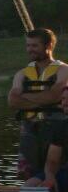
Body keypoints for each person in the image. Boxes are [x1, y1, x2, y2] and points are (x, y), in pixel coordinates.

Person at [8, 28, 68, 180]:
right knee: (28, 177)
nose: (30, 49)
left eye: (35, 45)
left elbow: (54, 95)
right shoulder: (22, 74)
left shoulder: (63, 70)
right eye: (28, 45)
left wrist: (24, 97)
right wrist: (46, 101)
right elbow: (13, 101)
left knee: (60, 175)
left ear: (49, 46)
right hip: (29, 132)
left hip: (58, 130)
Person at [38, 119, 68, 192]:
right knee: (31, 187)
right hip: (63, 170)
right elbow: (52, 159)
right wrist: (49, 175)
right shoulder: (62, 126)